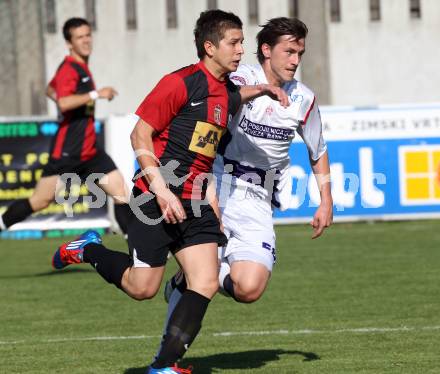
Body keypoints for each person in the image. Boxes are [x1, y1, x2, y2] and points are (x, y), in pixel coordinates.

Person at [50, 10, 288, 374]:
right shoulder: (179, 83)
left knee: (206, 281)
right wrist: (161, 190)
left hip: (194, 202)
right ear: (209, 47)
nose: (242, 50)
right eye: (234, 43)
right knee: (142, 287)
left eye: (242, 42)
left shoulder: (225, 94)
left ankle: (163, 366)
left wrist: (265, 89)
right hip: (154, 197)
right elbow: (139, 135)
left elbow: (227, 111)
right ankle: (89, 248)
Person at [165, 17, 333, 310]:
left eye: (300, 54)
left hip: (259, 196)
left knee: (249, 289)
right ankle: (172, 344)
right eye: (289, 52)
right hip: (217, 183)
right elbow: (226, 95)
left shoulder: (304, 99)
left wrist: (326, 201)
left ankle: (187, 278)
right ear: (266, 50)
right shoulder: (242, 77)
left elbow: (317, 150)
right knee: (203, 275)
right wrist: (261, 90)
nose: (295, 61)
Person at [0, 17, 131, 236]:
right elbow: (63, 101)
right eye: (80, 37)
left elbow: (51, 90)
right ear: (70, 43)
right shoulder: (69, 69)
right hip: (68, 152)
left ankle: (140, 250)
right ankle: (2, 222)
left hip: (90, 151)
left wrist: (75, 101)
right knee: (40, 201)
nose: (86, 40)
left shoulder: (80, 67)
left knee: (120, 192)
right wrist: (96, 94)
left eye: (88, 35)